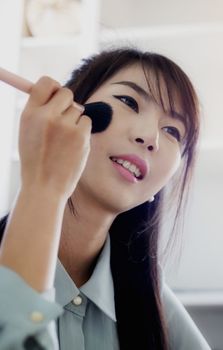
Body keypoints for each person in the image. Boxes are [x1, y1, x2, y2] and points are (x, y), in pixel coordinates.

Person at [0, 48, 211, 349]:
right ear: (67, 111)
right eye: (128, 101)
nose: (150, 137)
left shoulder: (154, 304)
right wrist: (44, 185)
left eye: (172, 131)